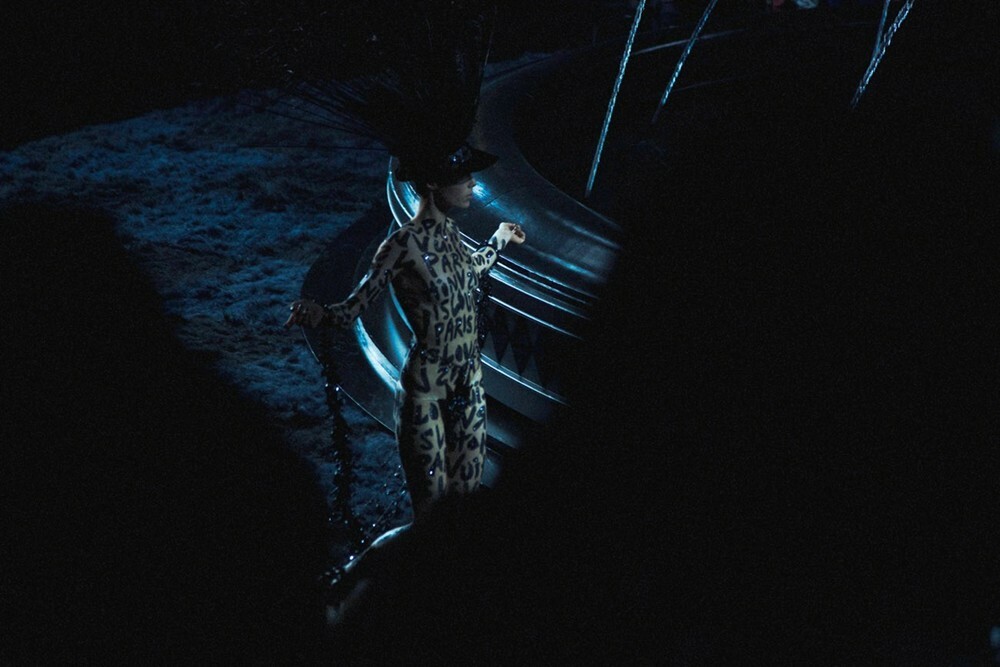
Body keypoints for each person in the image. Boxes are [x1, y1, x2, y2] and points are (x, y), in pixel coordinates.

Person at [285, 144, 525, 519]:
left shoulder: (451, 232)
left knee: (464, 507)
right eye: (462, 177)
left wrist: (499, 237)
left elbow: (470, 269)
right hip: (426, 395)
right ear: (433, 183)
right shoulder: (400, 245)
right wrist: (318, 313)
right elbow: (353, 308)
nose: (473, 184)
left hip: (469, 390)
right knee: (431, 511)